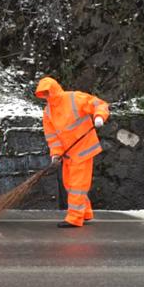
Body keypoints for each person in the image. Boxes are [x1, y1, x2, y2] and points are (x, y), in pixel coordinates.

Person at [35, 76, 109, 228]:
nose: (47, 96)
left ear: (54, 89)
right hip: (68, 154)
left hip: (83, 150)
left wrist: (99, 116)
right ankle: (85, 212)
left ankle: (74, 218)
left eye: (48, 92)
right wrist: (56, 153)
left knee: (77, 185)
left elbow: (98, 104)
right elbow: (52, 136)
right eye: (44, 94)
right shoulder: (48, 111)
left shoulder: (74, 98)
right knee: (70, 184)